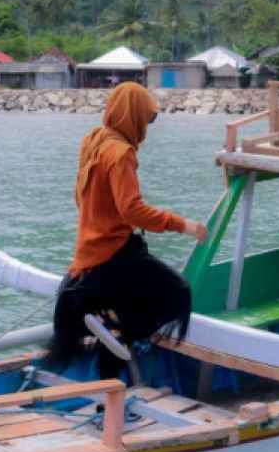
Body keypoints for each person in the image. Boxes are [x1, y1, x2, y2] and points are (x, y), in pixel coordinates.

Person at [47, 83, 208, 378]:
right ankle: (114, 321)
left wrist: (101, 218)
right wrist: (184, 225)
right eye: (145, 119)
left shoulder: (93, 141)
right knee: (178, 293)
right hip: (112, 252)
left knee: (118, 331)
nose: (145, 127)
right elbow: (131, 209)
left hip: (87, 252)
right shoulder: (121, 153)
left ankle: (109, 381)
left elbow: (78, 196)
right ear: (132, 116)